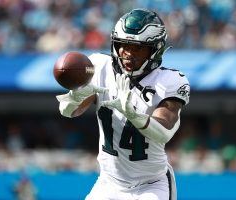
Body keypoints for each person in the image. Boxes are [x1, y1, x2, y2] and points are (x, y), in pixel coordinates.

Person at [56, 8, 190, 200]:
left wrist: (134, 115)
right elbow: (68, 112)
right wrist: (75, 95)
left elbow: (165, 131)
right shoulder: (99, 67)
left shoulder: (171, 80)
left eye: (137, 47)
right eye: (123, 45)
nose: (127, 53)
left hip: (150, 185)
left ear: (155, 49)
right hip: (109, 183)